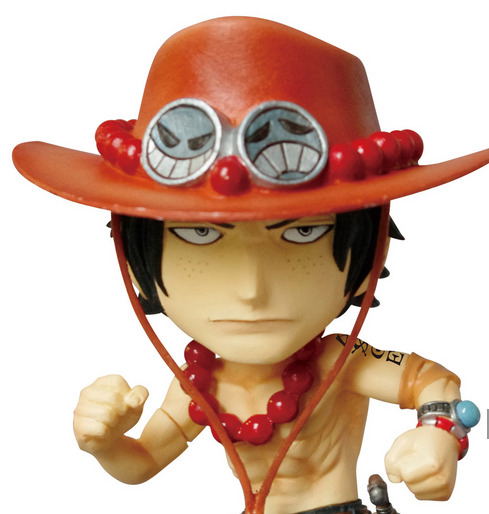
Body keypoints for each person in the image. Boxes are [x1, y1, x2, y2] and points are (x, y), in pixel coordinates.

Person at [12, 16, 488, 514]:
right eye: (200, 235)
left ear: (373, 253)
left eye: (303, 233)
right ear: (133, 260)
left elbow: (434, 382)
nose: (251, 290)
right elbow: (143, 462)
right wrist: (105, 443)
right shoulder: (198, 383)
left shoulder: (337, 361)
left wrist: (439, 433)